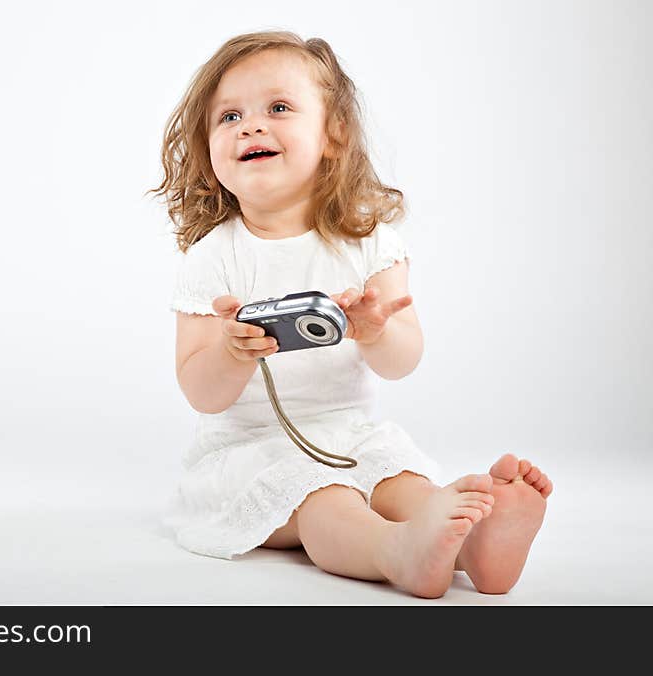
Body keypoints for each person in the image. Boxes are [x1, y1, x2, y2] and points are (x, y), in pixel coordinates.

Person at [147, 30, 552, 598]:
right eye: (229, 116)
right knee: (323, 500)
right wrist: (229, 352)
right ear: (210, 152)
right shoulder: (213, 256)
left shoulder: (366, 242)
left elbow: (403, 360)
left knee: (402, 481)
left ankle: (477, 546)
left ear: (333, 134)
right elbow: (200, 391)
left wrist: (377, 331)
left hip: (350, 434)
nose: (250, 125)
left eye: (278, 108)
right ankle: (396, 553)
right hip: (248, 452)